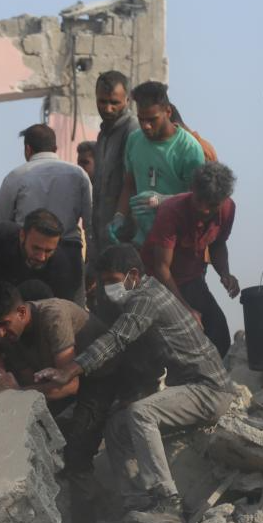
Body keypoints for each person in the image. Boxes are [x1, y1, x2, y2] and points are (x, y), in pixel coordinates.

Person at [35, 245, 233, 523]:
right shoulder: (138, 298)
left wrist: (69, 370)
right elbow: (147, 357)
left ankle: (167, 503)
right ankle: (138, 506)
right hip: (189, 389)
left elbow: (117, 339)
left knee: (141, 413)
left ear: (134, 275)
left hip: (209, 390)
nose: (108, 288)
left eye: (112, 280)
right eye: (104, 281)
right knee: (117, 426)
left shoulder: (146, 297)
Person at [0, 282, 111, 473]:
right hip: (59, 380)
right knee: (29, 434)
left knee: (76, 449)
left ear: (22, 312)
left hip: (101, 375)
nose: (0, 333)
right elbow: (32, 382)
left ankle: (85, 487)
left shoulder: (54, 316)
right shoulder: (10, 337)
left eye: (4, 324)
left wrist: (17, 392)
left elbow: (69, 386)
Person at [0, 124, 93, 304]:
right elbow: (91, 224)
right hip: (68, 256)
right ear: (55, 148)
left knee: (21, 311)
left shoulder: (16, 176)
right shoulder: (78, 174)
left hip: (27, 256)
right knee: (69, 313)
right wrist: (91, 264)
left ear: (28, 149)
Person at [144, 162, 239, 356]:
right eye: (199, 200)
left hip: (191, 278)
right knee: (174, 339)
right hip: (157, 282)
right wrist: (186, 310)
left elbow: (218, 243)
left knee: (218, 333)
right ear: (192, 190)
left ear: (223, 200)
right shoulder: (171, 211)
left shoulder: (228, 209)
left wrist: (225, 273)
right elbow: (161, 268)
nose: (204, 209)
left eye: (212, 204)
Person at [111, 81, 206, 247]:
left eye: (152, 119)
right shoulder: (134, 140)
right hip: (142, 241)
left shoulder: (189, 149)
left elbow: (198, 199)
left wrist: (164, 201)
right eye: (141, 119)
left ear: (168, 112)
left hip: (177, 242)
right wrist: (119, 216)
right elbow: (129, 184)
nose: (146, 126)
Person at [0, 209, 80, 302]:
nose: (41, 257)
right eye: (36, 248)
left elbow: (63, 311)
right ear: (22, 236)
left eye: (48, 251)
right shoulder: (1, 234)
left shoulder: (63, 269)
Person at [91, 71, 140, 256]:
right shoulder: (103, 135)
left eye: (114, 102)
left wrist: (121, 219)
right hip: (103, 236)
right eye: (102, 102)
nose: (108, 108)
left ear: (127, 100)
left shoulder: (132, 130)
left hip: (125, 236)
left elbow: (132, 183)